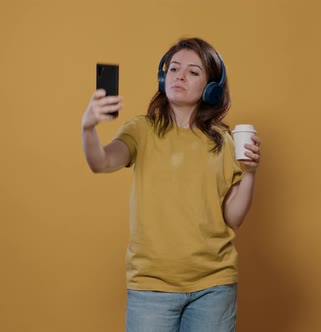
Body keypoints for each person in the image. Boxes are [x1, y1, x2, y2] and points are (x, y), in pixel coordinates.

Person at [81, 37, 261, 332]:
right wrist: (88, 128)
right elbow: (100, 161)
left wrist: (250, 173)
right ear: (163, 77)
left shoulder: (225, 142)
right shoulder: (141, 130)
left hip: (214, 286)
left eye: (193, 72)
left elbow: (233, 218)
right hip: (151, 286)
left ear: (211, 87)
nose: (180, 76)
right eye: (174, 68)